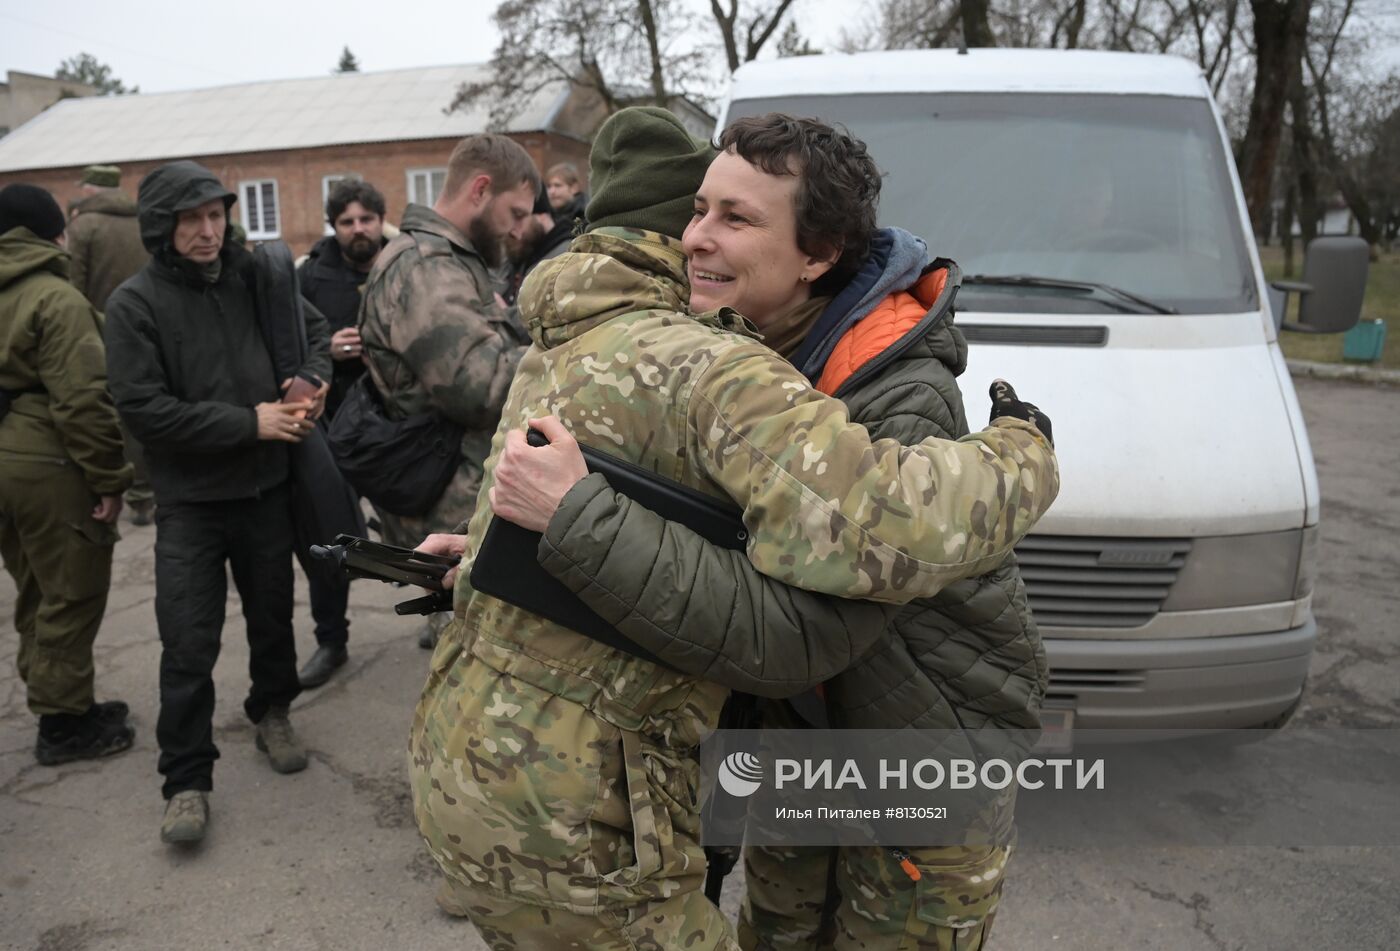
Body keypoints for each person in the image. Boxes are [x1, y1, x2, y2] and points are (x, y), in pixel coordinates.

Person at [408, 107, 1057, 949]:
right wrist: (510, 553)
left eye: (736, 218)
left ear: (819, 255)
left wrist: (1028, 449)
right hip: (793, 733)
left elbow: (813, 612)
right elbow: (700, 531)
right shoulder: (730, 349)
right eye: (697, 209)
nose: (695, 238)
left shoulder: (895, 387)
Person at [104, 161, 331, 845]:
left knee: (272, 617)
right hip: (190, 502)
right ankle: (186, 780)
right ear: (160, 226)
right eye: (190, 220)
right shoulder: (134, 304)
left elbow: (314, 334)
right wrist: (250, 422)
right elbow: (144, 410)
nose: (207, 232)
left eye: (215, 215)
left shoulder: (256, 276)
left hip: (263, 490)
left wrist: (308, 382)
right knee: (187, 639)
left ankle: (273, 713)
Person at [358, 134, 537, 649]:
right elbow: (479, 387)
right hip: (447, 495)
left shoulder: (447, 260)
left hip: (455, 484)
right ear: (480, 189)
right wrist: (566, 358)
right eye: (515, 212)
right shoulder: (427, 269)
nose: (519, 229)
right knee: (466, 659)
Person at [0, 183, 135, 766]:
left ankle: (61, 698)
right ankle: (62, 725)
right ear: (51, 233)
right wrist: (108, 478)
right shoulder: (55, 298)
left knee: (35, 584)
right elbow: (82, 401)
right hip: (46, 464)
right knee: (72, 589)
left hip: (7, 466)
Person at [292, 179, 388, 688]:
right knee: (330, 533)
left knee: (414, 525)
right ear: (335, 226)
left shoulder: (401, 263)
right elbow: (293, 345)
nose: (358, 230)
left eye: (366, 220)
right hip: (332, 425)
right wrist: (327, 347)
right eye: (348, 222)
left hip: (394, 423)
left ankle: (440, 612)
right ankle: (332, 640)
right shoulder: (310, 276)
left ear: (379, 220)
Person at [67, 164, 155, 526]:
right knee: (144, 404)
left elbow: (71, 289)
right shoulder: (142, 221)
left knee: (106, 409)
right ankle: (148, 492)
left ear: (91, 190)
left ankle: (123, 490)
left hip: (97, 332)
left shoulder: (83, 227)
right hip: (146, 328)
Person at [500, 182, 573, 306]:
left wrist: (504, 315)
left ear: (542, 216)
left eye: (518, 217)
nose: (511, 229)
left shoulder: (566, 258)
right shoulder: (523, 250)